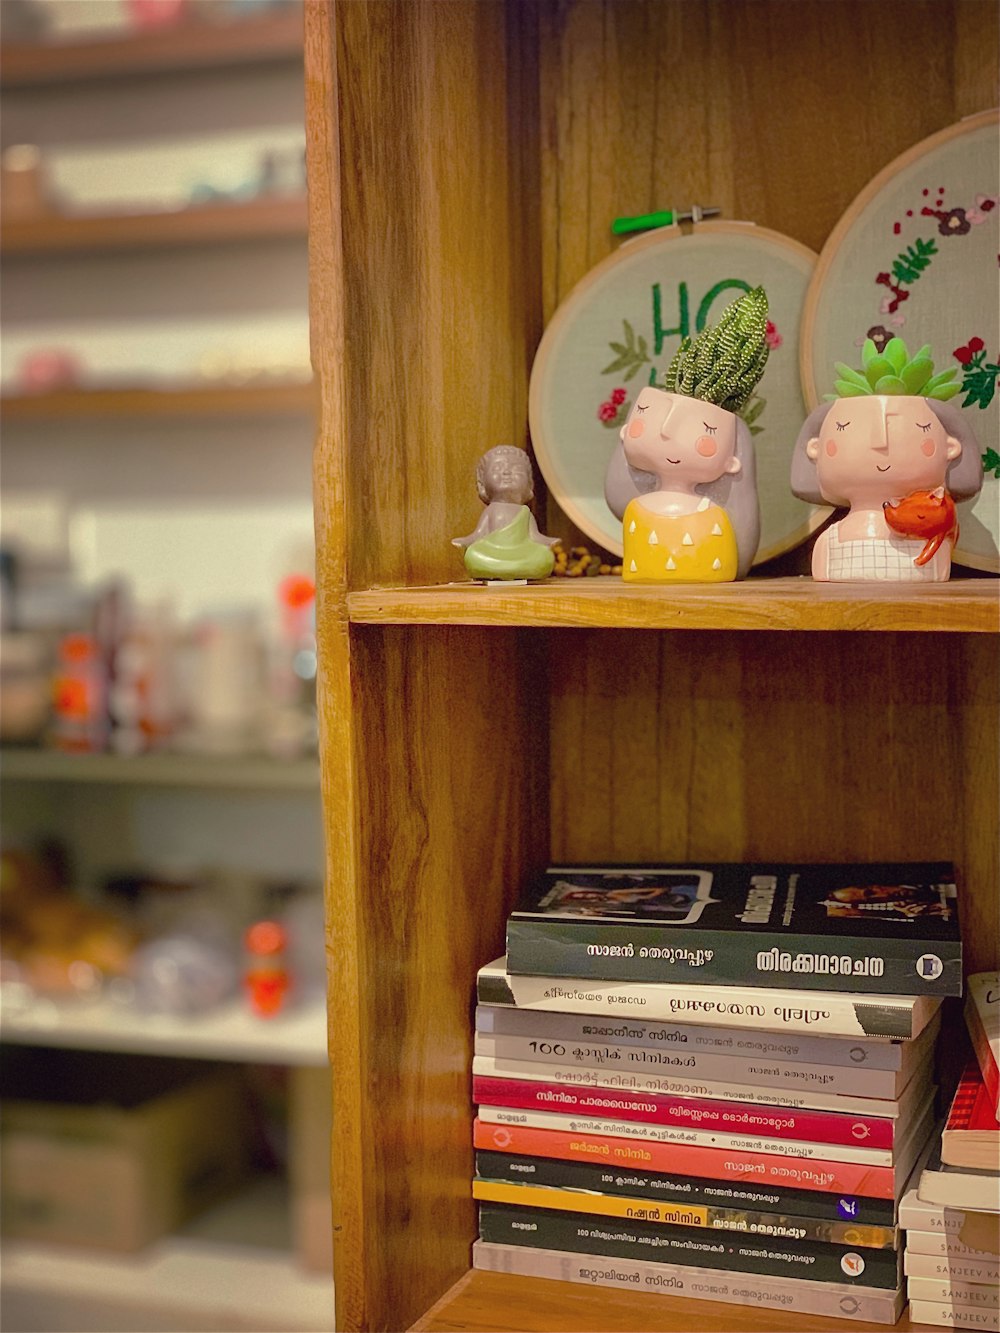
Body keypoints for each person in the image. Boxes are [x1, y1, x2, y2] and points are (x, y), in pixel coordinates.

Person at [790, 396, 983, 582]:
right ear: (815, 448)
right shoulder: (829, 542)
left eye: (922, 428)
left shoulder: (936, 535)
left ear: (950, 448)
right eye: (843, 427)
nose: (880, 443)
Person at [452, 445, 558, 580]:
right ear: (482, 485)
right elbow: (479, 534)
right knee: (474, 555)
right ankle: (503, 569)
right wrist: (465, 542)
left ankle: (514, 570)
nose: (507, 472)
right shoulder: (491, 511)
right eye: (497, 468)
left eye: (517, 469)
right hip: (493, 551)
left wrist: (548, 542)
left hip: (522, 551)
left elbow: (534, 536)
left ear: (530, 484)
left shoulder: (525, 513)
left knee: (544, 556)